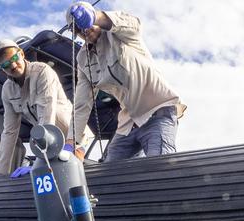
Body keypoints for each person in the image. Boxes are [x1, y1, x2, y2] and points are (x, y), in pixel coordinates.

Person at [65, 2, 186, 162]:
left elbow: (134, 24)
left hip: (158, 112)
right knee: (110, 175)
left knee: (160, 168)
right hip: (128, 124)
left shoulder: (117, 33)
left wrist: (96, 17)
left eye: (85, 24)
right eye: (77, 29)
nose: (84, 30)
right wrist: (71, 143)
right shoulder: (82, 59)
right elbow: (82, 105)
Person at [0, 39, 74, 177]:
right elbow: (9, 131)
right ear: (2, 69)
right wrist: (0, 173)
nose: (13, 65)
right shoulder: (7, 90)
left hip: (72, 138)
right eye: (6, 64)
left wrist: (40, 163)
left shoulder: (42, 71)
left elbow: (46, 115)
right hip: (47, 141)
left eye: (14, 58)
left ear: (22, 54)